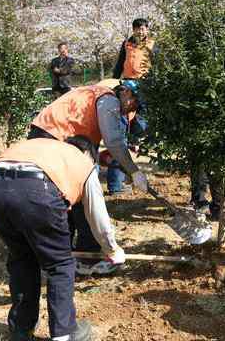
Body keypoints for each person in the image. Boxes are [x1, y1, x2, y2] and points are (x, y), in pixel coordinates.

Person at [0, 135, 125, 341]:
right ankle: (64, 334)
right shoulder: (83, 162)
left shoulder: (42, 147)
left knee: (22, 258)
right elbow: (96, 214)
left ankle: (21, 330)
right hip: (36, 191)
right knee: (60, 264)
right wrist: (112, 250)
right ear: (90, 155)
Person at [28, 81, 149, 274]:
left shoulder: (97, 95)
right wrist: (133, 171)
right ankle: (85, 258)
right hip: (54, 138)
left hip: (52, 137)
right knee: (82, 199)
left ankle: (64, 254)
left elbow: (96, 141)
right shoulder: (108, 100)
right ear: (125, 92)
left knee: (66, 198)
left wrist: (103, 158)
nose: (131, 109)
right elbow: (114, 142)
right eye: (134, 104)